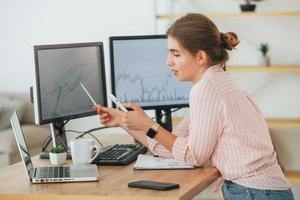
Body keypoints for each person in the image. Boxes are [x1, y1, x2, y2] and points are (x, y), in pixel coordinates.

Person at [94, 13, 294, 200]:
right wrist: (123, 121)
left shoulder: (206, 90)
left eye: (176, 54)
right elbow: (175, 146)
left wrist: (148, 124)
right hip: (264, 191)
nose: (168, 62)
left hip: (253, 192)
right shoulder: (216, 80)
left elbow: (193, 156)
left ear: (200, 57)